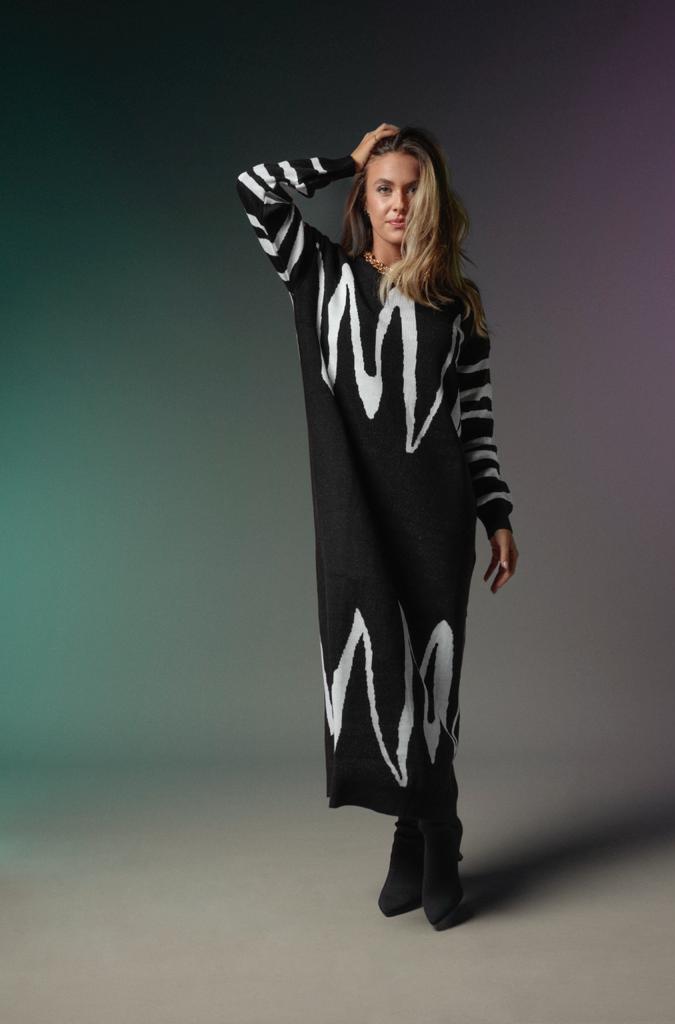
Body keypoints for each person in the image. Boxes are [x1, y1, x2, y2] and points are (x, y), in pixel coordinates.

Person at [235, 123, 519, 931]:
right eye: (383, 187)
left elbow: (474, 425)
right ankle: (418, 829)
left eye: (411, 189)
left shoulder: (456, 305)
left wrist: (497, 514)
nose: (398, 204)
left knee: (432, 690)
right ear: (363, 196)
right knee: (380, 681)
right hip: (357, 519)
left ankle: (431, 836)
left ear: (432, 199)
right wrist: (344, 160)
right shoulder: (318, 274)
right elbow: (254, 188)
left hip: (437, 520)